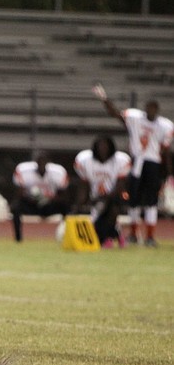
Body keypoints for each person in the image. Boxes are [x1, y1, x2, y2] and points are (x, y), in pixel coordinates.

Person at [93, 84, 174, 246]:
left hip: (153, 163)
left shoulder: (165, 126)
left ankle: (150, 236)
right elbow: (115, 114)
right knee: (133, 199)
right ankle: (134, 233)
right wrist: (104, 99)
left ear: (157, 109)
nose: (150, 110)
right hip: (137, 161)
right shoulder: (135, 118)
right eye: (148, 107)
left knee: (151, 201)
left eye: (153, 108)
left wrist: (169, 172)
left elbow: (165, 151)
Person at [74, 135, 131, 248]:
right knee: (93, 226)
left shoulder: (120, 161)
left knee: (112, 210)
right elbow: (84, 185)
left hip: (113, 198)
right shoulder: (85, 160)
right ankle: (116, 234)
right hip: (95, 198)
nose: (103, 149)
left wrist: (104, 199)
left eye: (106, 146)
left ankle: (108, 237)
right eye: (100, 146)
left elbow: (120, 187)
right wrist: (80, 204)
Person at [10, 153, 70, 243]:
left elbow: (62, 194)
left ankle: (67, 234)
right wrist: (33, 199)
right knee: (16, 207)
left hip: (49, 205)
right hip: (31, 203)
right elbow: (20, 194)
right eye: (39, 163)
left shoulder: (57, 172)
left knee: (66, 207)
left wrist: (49, 199)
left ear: (47, 163)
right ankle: (18, 238)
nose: (41, 165)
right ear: (36, 163)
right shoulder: (25, 171)